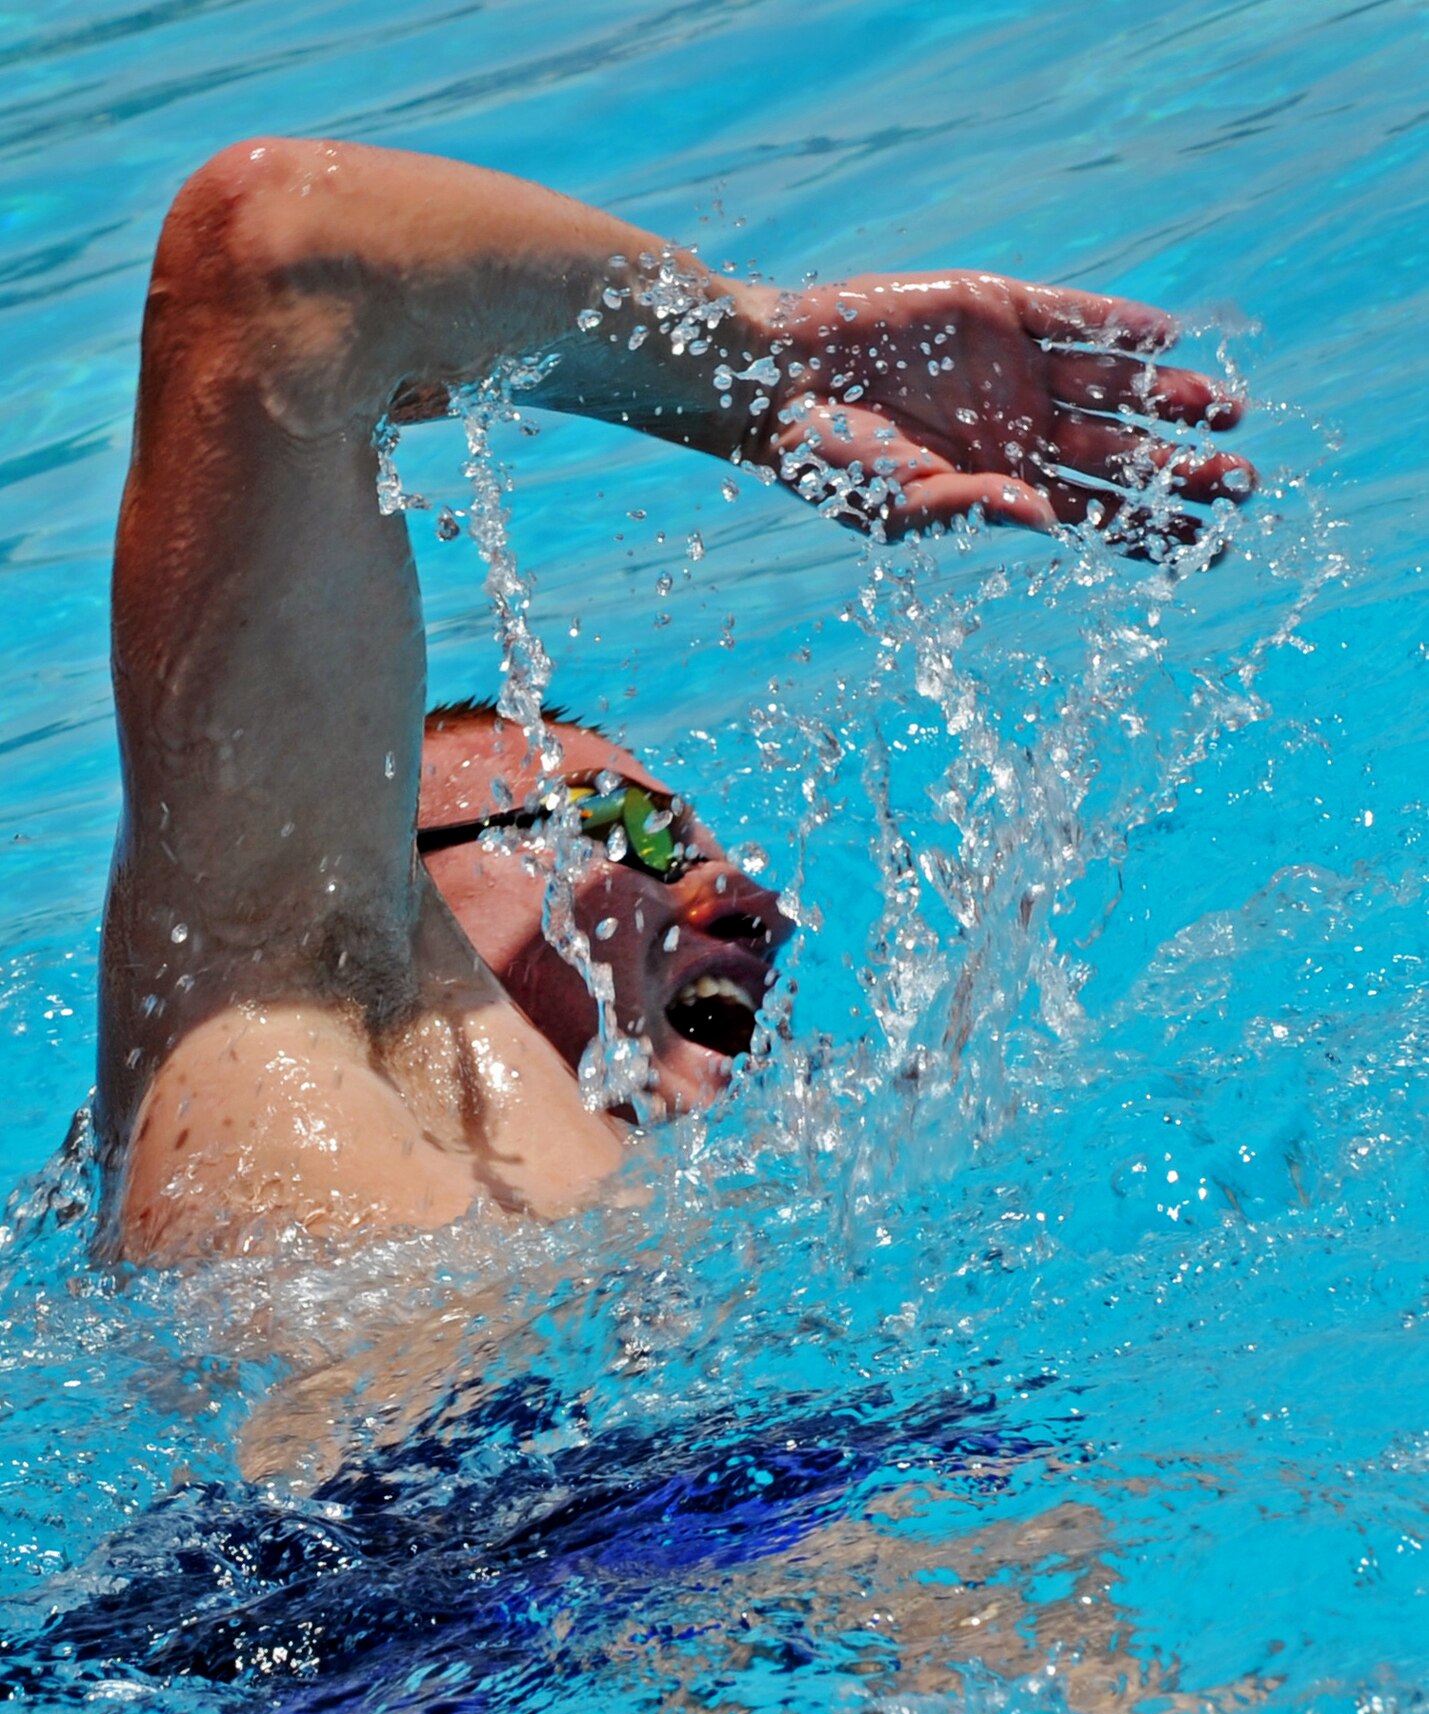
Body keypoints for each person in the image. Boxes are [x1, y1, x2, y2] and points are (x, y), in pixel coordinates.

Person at [101, 138, 1253, 1264]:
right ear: (369, 833)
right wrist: (754, 367)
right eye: (623, 825)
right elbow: (282, 254)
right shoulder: (268, 1042)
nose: (748, 898)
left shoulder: (695, 1247)